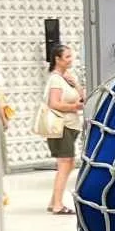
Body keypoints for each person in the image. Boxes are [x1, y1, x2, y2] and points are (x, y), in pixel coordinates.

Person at [43, 43, 85, 215]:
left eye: (70, 56)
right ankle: (58, 204)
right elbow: (54, 103)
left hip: (71, 126)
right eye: (67, 57)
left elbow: (83, 96)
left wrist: (75, 83)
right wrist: (75, 107)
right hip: (62, 127)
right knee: (65, 163)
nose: (70, 59)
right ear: (57, 59)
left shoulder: (66, 77)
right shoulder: (55, 79)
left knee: (68, 164)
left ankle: (54, 200)